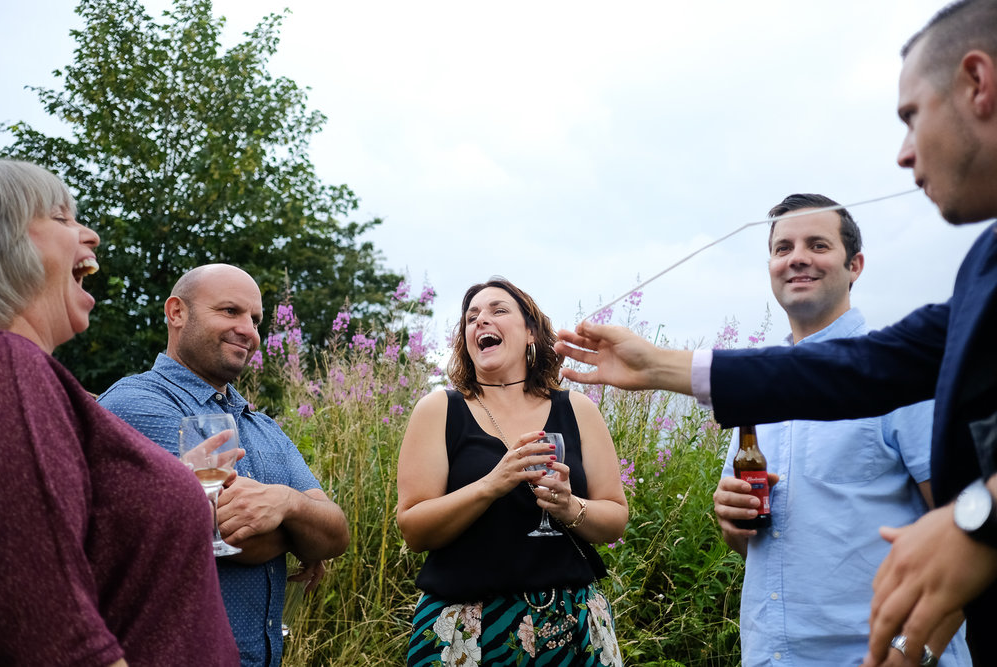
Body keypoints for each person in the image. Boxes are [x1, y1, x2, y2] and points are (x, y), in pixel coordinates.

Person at [555, 2, 997, 665]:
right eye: (782, 245)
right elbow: (850, 369)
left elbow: (938, 481)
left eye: (910, 116)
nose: (904, 152)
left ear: (978, 83)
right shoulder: (981, 270)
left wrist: (974, 525)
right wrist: (658, 368)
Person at [0, 160, 239, 665]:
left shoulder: (42, 383)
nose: (90, 234)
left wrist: (174, 484)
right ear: (9, 244)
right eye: (63, 219)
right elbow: (50, 627)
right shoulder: (13, 366)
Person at [712, 193, 970, 666]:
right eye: (783, 247)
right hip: (772, 654)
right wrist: (732, 519)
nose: (798, 259)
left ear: (856, 265)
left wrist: (911, 652)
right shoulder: (756, 389)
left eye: (818, 244)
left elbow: (969, 529)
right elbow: (756, 543)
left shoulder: (900, 375)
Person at [98, 263, 350, 667]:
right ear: (177, 312)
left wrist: (285, 503)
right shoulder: (137, 405)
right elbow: (235, 539)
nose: (249, 331)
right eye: (230, 311)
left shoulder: (262, 425)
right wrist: (302, 536)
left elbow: (336, 534)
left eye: (255, 319)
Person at [397, 278, 628, 666]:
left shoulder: (578, 409)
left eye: (498, 311)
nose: (481, 321)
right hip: (467, 631)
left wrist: (569, 507)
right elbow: (414, 529)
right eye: (471, 318)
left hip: (573, 625)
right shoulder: (439, 410)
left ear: (531, 333)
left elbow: (616, 519)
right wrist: (491, 485)